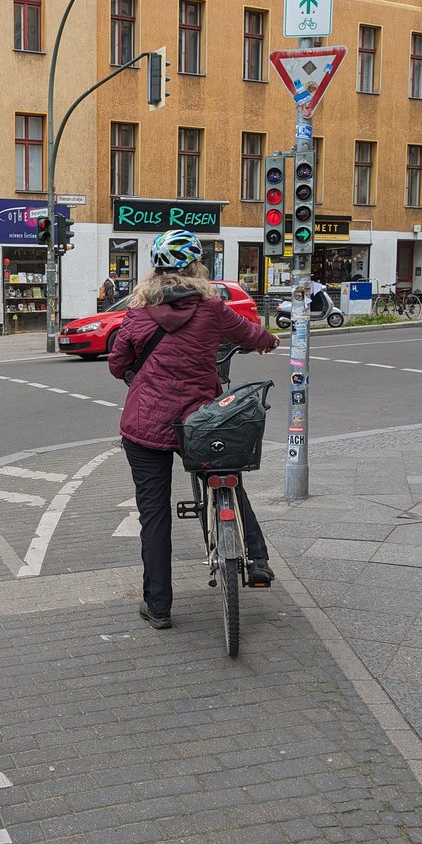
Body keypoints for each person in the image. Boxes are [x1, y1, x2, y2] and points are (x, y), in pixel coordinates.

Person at [108, 230, 279, 630]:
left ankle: (159, 607)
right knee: (229, 477)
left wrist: (139, 372)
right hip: (198, 422)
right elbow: (252, 335)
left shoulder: (136, 314)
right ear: (196, 268)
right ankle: (256, 559)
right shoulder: (213, 309)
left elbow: (117, 365)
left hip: (144, 425)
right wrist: (268, 340)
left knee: (154, 516)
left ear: (155, 271)